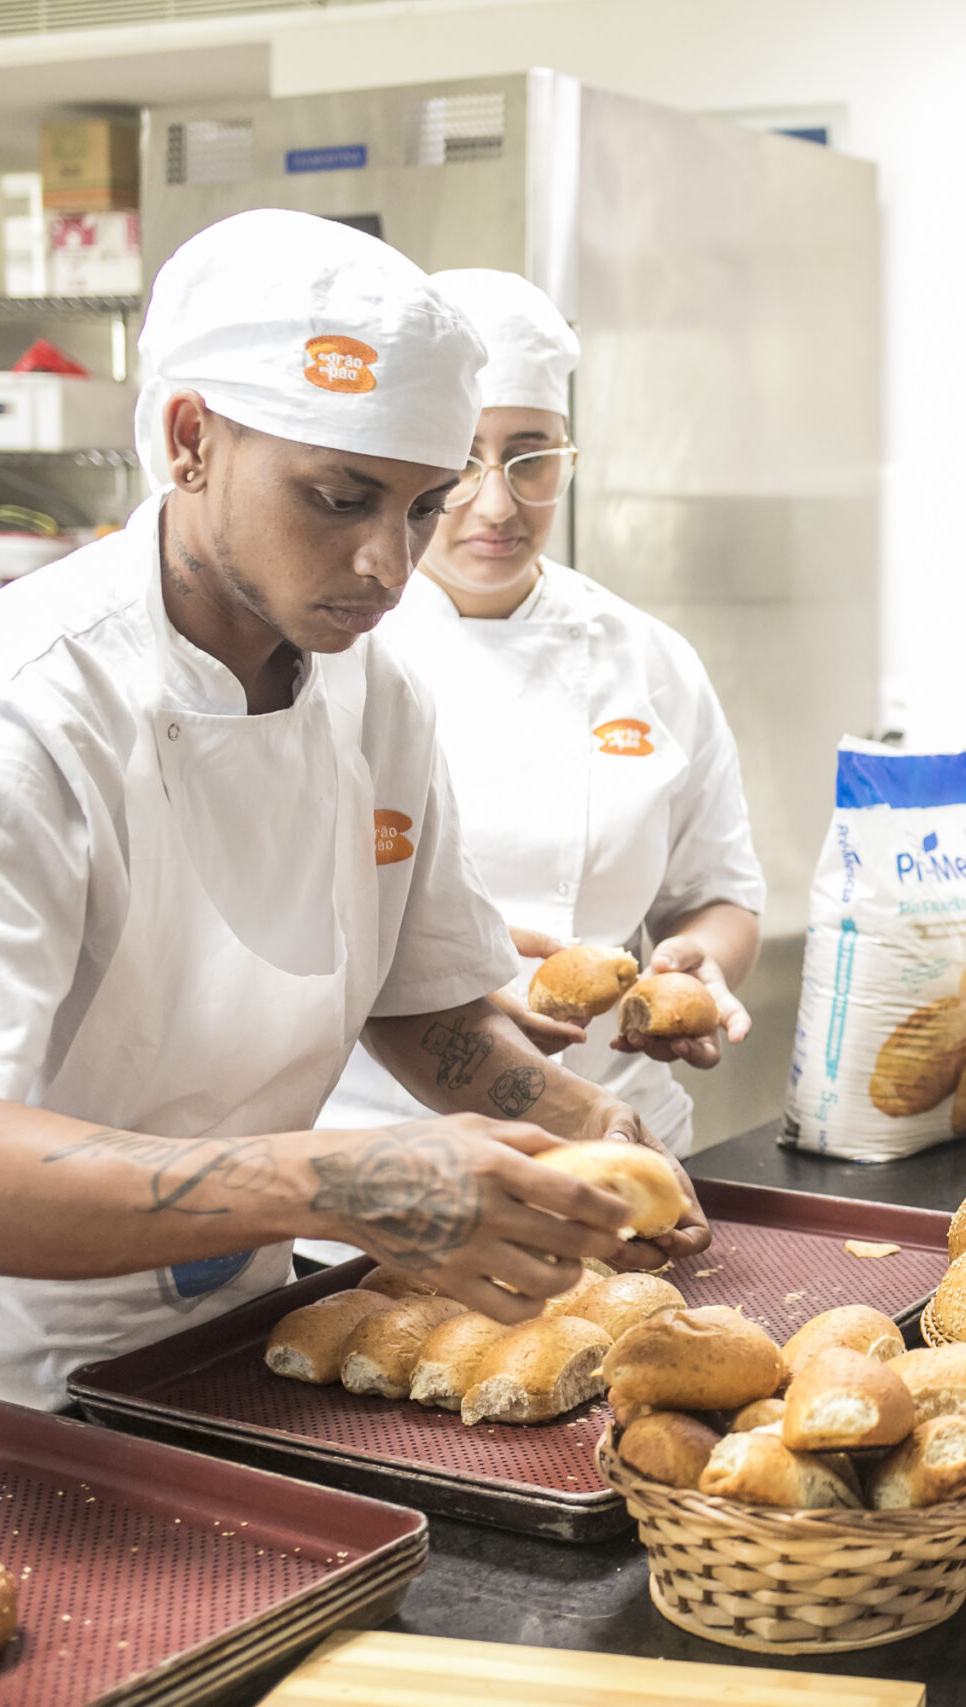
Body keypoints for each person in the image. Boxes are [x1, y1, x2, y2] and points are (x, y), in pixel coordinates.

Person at [0, 210, 708, 1416]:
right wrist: (338, 1178)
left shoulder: (371, 690)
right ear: (190, 439)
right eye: (339, 497)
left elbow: (419, 1006)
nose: (390, 563)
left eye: (422, 505)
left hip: (240, 1355)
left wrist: (584, 1125)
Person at [311, 267, 764, 1169]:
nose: (495, 502)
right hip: (390, 1161)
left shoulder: (648, 657)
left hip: (623, 1143)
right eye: (462, 458)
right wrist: (451, 984)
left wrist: (694, 962)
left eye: (531, 455)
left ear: (568, 455)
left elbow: (720, 893)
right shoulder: (332, 651)